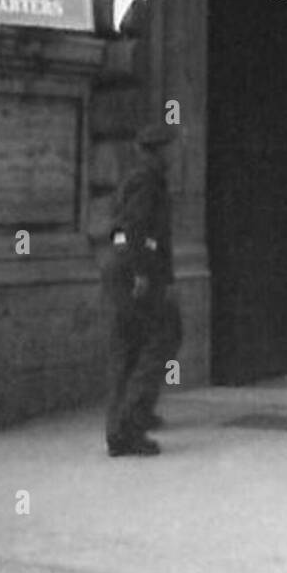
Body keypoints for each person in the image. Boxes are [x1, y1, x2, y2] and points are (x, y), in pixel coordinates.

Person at [102, 122, 179, 457]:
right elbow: (136, 229)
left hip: (127, 266)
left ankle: (129, 420)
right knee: (155, 342)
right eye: (173, 146)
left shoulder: (140, 177)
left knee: (134, 346)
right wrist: (142, 273)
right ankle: (128, 426)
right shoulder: (147, 180)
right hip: (135, 270)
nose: (178, 152)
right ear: (160, 149)